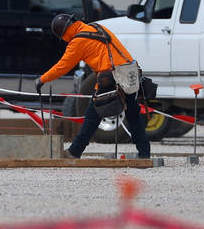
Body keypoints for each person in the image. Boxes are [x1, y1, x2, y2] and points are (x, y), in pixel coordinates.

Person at [34, 13, 150, 159]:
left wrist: (42, 80)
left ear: (64, 34)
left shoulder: (78, 42)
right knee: (133, 115)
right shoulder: (96, 27)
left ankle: (74, 152)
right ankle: (145, 153)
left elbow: (62, 67)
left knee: (92, 116)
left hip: (112, 77)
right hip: (129, 73)